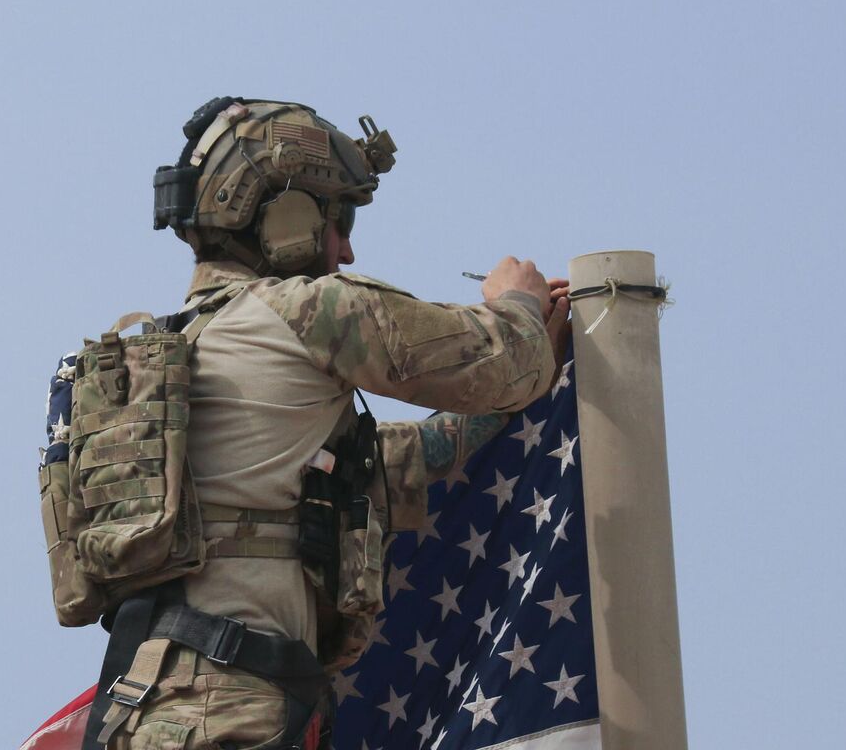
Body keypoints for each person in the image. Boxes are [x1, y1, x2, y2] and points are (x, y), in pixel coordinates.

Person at [88, 97, 568, 750]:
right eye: (337, 219)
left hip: (156, 709)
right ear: (287, 214)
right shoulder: (303, 311)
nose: (344, 249)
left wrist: (479, 432)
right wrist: (519, 304)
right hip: (228, 707)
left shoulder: (181, 348)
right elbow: (499, 364)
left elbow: (380, 466)